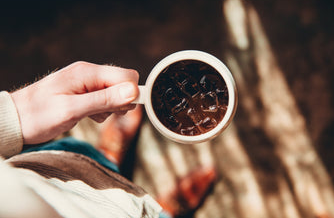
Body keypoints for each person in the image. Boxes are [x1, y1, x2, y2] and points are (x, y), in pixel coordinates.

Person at [0, 61, 216, 218]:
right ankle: (166, 210)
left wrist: (14, 115)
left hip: (51, 171)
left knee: (81, 157)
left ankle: (107, 155)